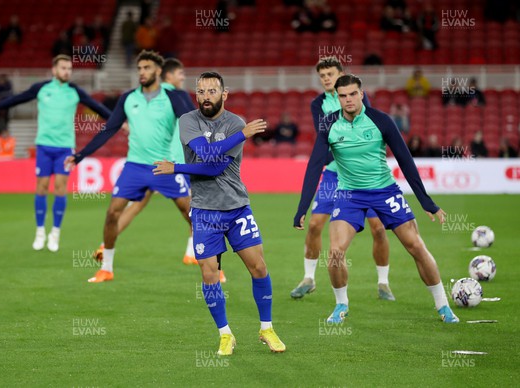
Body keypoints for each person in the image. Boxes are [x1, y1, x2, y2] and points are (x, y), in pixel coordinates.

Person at [294, 74, 459, 324]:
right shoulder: (328, 124)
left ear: (361, 94)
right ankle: (341, 305)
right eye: (343, 95)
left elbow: (405, 160)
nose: (348, 99)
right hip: (349, 195)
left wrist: (426, 201)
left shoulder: (380, 120)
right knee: (336, 252)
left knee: (415, 246)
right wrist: (302, 208)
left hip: (385, 192)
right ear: (337, 98)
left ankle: (443, 305)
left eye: (352, 94)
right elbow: (315, 166)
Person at [152, 71, 286, 355]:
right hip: (204, 209)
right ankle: (225, 334)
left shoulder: (235, 122)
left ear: (224, 95)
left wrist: (176, 167)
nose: (205, 96)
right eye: (201, 91)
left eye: (212, 91)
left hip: (236, 207)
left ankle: (267, 328)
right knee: (209, 273)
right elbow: (206, 155)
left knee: (259, 267)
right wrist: (241, 136)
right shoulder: (188, 121)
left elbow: (214, 165)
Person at [64, 50, 194, 283]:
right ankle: (107, 268)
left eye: (146, 68)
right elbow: (109, 129)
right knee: (113, 212)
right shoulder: (128, 98)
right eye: (139, 69)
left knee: (192, 214)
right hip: (134, 167)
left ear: (158, 71)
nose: (142, 72)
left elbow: (191, 124)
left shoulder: (173, 97)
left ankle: (213, 262)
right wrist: (80, 155)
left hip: (164, 166)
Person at [91, 57, 214, 276]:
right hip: (173, 161)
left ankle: (104, 246)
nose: (183, 78)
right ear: (166, 75)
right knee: (193, 208)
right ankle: (195, 253)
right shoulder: (174, 96)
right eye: (180, 74)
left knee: (136, 206)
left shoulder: (164, 96)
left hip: (157, 163)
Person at [290, 57, 394, 301]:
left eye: (330, 74)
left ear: (341, 75)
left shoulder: (355, 97)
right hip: (334, 174)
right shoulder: (318, 104)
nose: (326, 78)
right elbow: (323, 139)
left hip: (364, 176)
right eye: (322, 75)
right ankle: (309, 278)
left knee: (378, 229)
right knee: (315, 225)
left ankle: (383, 283)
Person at [0, 55, 111, 252]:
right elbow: (17, 99)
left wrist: (119, 122)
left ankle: (55, 232)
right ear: (54, 70)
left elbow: (98, 107)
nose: (67, 71)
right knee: (41, 188)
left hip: (65, 148)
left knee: (60, 189)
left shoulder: (75, 92)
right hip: (44, 146)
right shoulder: (41, 88)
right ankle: (40, 230)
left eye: (69, 68)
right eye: (63, 68)